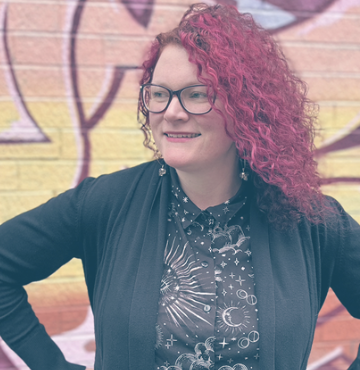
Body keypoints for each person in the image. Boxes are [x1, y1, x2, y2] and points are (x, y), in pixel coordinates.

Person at [0, 3, 360, 370]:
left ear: (247, 107)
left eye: (197, 94)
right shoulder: (106, 203)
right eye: (159, 94)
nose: (172, 111)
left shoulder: (312, 221)